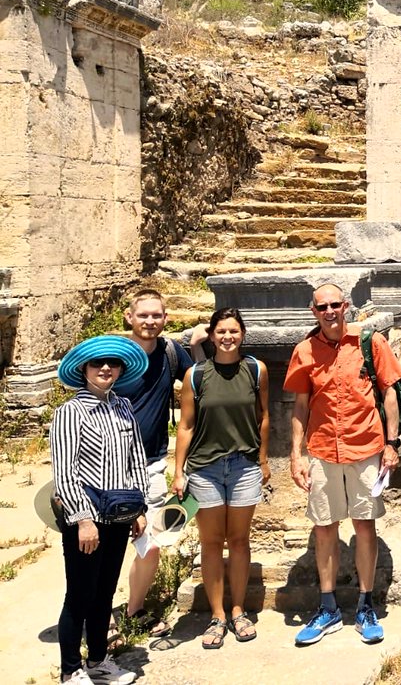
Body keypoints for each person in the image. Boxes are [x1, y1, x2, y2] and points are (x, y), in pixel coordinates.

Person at [285, 283, 401, 646]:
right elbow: (301, 406)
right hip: (322, 449)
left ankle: (365, 604)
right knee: (324, 527)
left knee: (364, 525)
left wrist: (392, 443)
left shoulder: (370, 343)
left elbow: (389, 392)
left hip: (366, 446)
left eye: (335, 305)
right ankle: (328, 607)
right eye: (322, 307)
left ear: (346, 306)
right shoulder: (305, 350)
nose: (330, 311)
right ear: (314, 311)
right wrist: (295, 453)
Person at [51, 335, 150, 685]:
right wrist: (83, 520)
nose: (105, 368)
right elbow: (64, 472)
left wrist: (139, 509)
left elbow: (135, 459)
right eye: (97, 363)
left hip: (118, 516)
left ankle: (97, 660)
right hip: (86, 518)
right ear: (84, 370)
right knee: (79, 592)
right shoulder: (69, 413)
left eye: (112, 363)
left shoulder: (123, 407)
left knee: (105, 590)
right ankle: (69, 669)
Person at [173, 308, 270, 648]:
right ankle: (217, 615)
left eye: (233, 331)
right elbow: (185, 425)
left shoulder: (256, 370)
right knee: (212, 542)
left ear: (242, 334)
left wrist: (262, 459)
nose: (227, 337)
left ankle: (239, 609)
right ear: (211, 336)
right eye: (221, 332)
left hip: (243, 465)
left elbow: (263, 416)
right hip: (205, 468)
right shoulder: (196, 375)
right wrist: (178, 471)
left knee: (240, 540)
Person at [113, 288, 197, 642]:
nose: (149, 321)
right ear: (130, 318)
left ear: (165, 319)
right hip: (111, 465)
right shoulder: (113, 357)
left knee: (154, 541)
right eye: (142, 315)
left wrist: (199, 337)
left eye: (156, 315)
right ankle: (99, 613)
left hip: (150, 462)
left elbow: (200, 381)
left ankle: (134, 610)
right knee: (106, 544)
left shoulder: (170, 352)